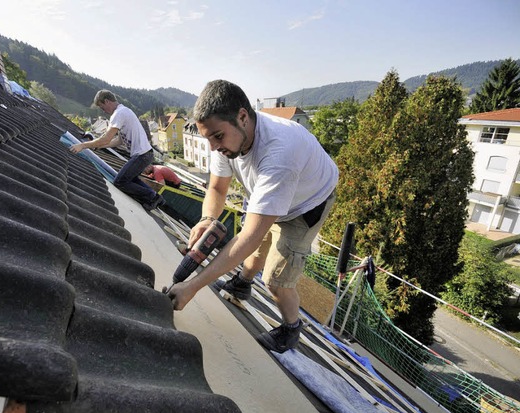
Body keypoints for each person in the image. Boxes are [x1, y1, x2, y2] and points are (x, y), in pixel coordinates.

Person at [167, 80, 338, 353]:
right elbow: (217, 187)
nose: (212, 147)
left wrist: (192, 287)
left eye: (217, 138)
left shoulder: (279, 151)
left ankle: (291, 328)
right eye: (208, 138)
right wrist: (207, 219)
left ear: (243, 117)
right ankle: (242, 284)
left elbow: (248, 236)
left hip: (307, 203)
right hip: (274, 191)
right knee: (254, 253)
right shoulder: (226, 136)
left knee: (276, 280)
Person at [70, 90, 165, 211]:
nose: (103, 110)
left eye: (102, 106)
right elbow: (119, 140)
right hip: (145, 154)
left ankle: (153, 197)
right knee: (131, 179)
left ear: (107, 101)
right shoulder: (124, 111)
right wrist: (99, 146)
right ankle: (154, 197)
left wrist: (83, 145)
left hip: (142, 155)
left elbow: (106, 138)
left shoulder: (118, 114)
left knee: (120, 182)